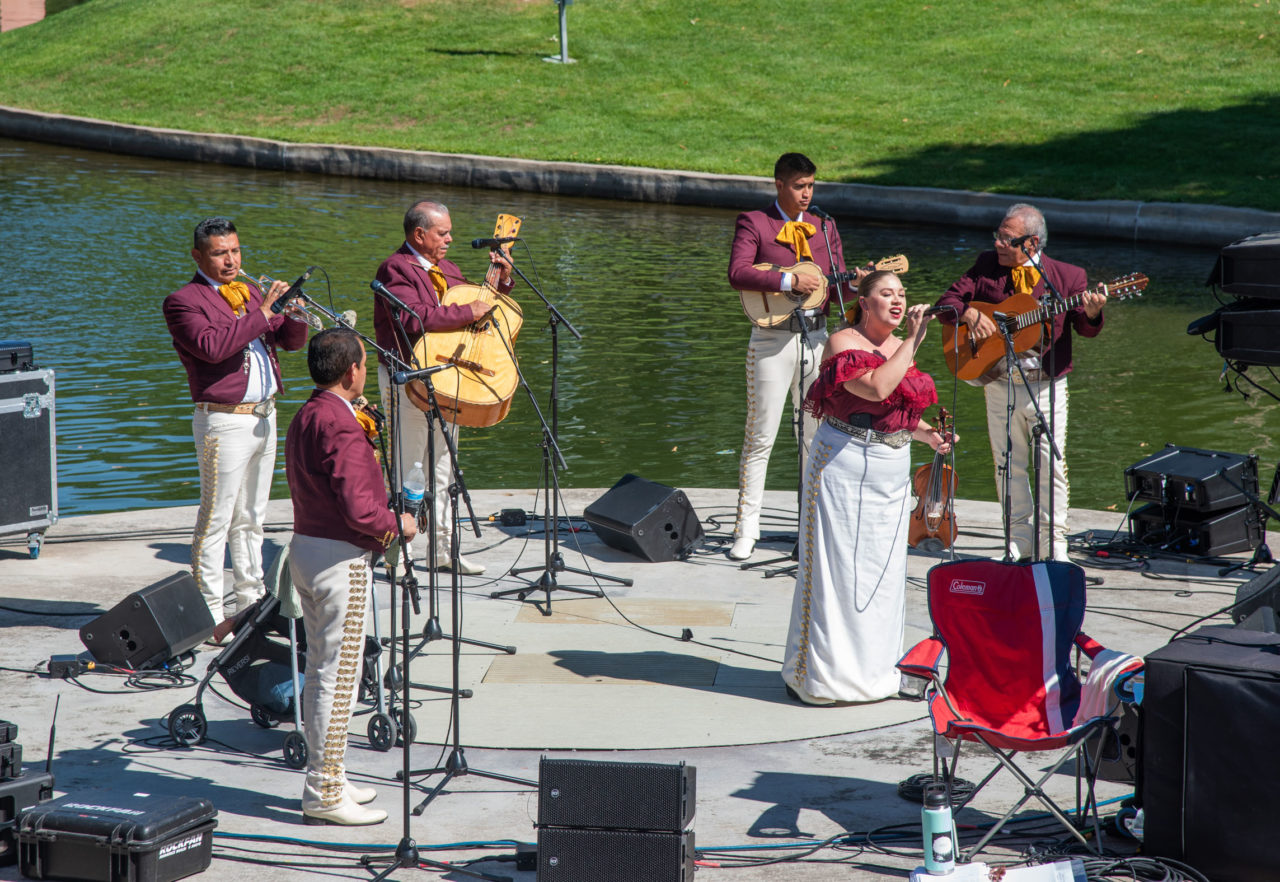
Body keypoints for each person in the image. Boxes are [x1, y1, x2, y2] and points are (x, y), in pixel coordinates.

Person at [781, 271, 950, 704]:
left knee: (883, 574)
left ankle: (876, 674)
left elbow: (894, 411)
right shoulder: (842, 342)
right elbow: (875, 390)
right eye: (886, 294)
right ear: (864, 301)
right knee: (837, 572)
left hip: (890, 470)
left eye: (902, 294)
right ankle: (823, 680)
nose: (897, 301)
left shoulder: (900, 348)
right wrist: (914, 339)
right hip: (842, 464)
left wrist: (928, 434)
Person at [286, 328, 417, 826]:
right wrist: (398, 525)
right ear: (352, 371)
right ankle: (323, 791)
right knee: (337, 679)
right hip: (339, 560)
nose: (365, 369)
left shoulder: (308, 413)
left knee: (324, 670)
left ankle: (332, 777)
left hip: (310, 549)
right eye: (363, 364)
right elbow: (361, 510)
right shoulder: (339, 423)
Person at [933, 203, 1105, 561]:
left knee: (1051, 465)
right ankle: (1018, 541)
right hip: (999, 383)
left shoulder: (1067, 277)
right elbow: (946, 302)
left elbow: (1085, 329)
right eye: (998, 235)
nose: (998, 243)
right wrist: (967, 312)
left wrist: (1092, 312)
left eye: (1007, 239)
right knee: (1006, 463)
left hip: (1046, 386)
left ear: (1032, 243)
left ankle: (1054, 544)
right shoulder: (987, 266)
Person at [163, 217, 308, 627]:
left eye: (235, 251)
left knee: (253, 517)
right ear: (197, 256)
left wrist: (293, 312)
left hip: (264, 415)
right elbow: (213, 347)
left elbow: (290, 341)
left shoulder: (249, 292)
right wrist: (263, 311)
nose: (231, 261)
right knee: (216, 519)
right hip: (222, 422)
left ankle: (252, 603)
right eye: (219, 253)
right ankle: (209, 613)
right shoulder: (183, 301)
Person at [726, 152, 858, 560]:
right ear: (780, 185)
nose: (807, 193)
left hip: (816, 339)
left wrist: (858, 282)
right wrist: (787, 279)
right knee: (760, 435)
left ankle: (809, 528)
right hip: (771, 340)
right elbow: (738, 273)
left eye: (811, 186)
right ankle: (746, 529)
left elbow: (837, 290)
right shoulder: (756, 222)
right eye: (799, 186)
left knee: (813, 438)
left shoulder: (824, 225)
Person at [372, 200, 514, 575]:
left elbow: (474, 309)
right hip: (407, 377)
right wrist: (468, 312)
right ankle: (398, 555)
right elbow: (413, 317)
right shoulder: (394, 268)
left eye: (450, 231)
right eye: (442, 232)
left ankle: (443, 552)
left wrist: (501, 280)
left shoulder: (447, 268)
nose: (451, 238)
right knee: (409, 465)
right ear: (419, 234)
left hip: (447, 379)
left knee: (444, 467)